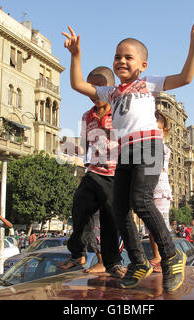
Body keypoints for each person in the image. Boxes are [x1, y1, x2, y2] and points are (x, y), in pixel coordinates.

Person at [62, 20, 194, 292]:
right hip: (125, 152)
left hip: (148, 146)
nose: (121, 61)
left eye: (129, 57)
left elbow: (185, 78)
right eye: (117, 56)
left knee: (141, 200)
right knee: (119, 209)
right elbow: (78, 85)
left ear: (143, 65)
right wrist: (76, 55)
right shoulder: (112, 92)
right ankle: (138, 262)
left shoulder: (147, 84)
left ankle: (171, 255)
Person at [58, 66, 125, 278]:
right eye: (90, 88)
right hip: (94, 171)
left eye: (99, 87)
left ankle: (111, 262)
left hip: (115, 173)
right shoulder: (87, 116)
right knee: (80, 207)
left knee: (108, 219)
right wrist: (68, 147)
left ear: (110, 88)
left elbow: (130, 140)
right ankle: (77, 253)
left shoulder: (119, 111)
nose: (94, 93)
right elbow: (86, 146)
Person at [148, 110, 173, 273]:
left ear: (164, 132)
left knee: (160, 225)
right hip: (148, 188)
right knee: (151, 226)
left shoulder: (163, 149)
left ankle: (164, 257)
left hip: (160, 189)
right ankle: (157, 255)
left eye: (159, 131)